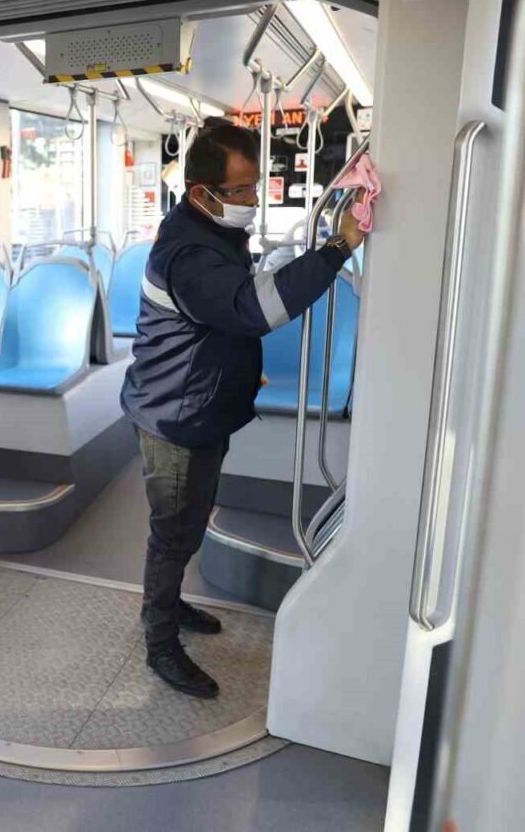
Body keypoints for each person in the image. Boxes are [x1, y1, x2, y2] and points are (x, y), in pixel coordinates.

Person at [120, 122, 366, 698]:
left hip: (201, 404)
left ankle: (168, 604)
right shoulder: (187, 253)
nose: (253, 199)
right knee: (174, 532)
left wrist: (234, 367)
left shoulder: (212, 230)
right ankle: (160, 642)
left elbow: (217, 323)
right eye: (242, 190)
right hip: (174, 416)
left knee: (189, 520)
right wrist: (338, 246)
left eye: (255, 186)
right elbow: (251, 309)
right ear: (203, 193)